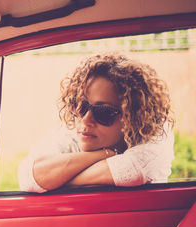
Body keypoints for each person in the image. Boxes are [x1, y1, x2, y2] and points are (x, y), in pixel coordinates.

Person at [18, 52, 175, 192]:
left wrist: (57, 181)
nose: (86, 120)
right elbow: (28, 176)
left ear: (133, 117)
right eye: (80, 106)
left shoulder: (155, 136)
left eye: (104, 112)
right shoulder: (72, 132)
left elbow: (135, 170)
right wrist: (109, 153)